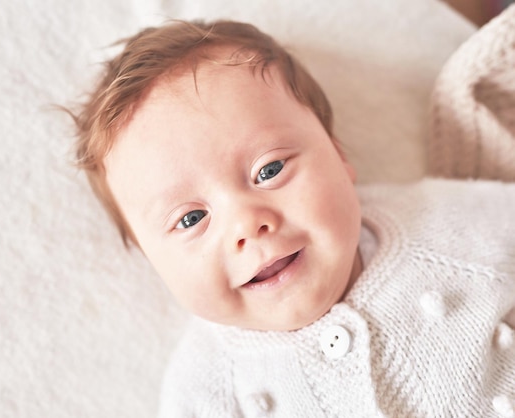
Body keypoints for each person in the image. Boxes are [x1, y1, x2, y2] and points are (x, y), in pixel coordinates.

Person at [70, 19, 515, 417]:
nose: (247, 224)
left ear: (337, 155)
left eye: (269, 170)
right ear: (154, 261)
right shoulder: (208, 386)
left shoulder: (439, 224)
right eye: (190, 219)